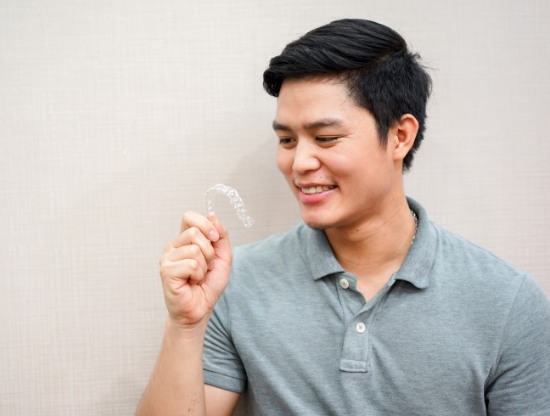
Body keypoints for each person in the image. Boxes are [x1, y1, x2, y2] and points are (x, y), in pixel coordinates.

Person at [136, 19, 550, 415]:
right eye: (286, 139)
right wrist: (185, 325)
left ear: (400, 136)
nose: (298, 163)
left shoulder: (506, 302)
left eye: (326, 138)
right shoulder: (236, 280)